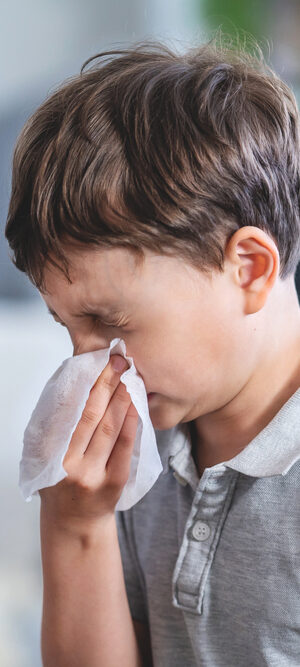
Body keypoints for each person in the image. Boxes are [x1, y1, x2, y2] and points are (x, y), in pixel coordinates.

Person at [5, 36, 300, 667]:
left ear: (248, 268)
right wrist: (76, 528)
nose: (89, 367)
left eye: (108, 322)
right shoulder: (138, 458)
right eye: (64, 327)